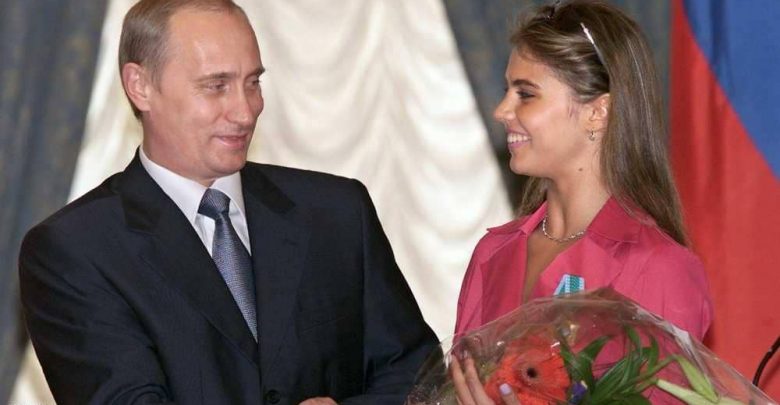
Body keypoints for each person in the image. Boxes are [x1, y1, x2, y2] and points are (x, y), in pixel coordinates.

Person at [18, 1, 437, 404]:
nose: (245, 111)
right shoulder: (74, 250)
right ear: (140, 86)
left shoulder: (336, 212)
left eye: (253, 83)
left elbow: (417, 374)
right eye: (216, 86)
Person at [450, 0, 713, 403]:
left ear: (597, 112)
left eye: (526, 94)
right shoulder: (492, 253)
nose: (502, 111)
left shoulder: (659, 267)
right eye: (507, 91)